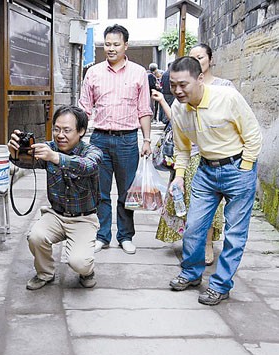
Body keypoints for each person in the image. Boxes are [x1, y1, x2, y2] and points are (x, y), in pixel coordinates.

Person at [166, 56, 261, 305]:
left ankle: (221, 285)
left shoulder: (227, 98)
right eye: (173, 84)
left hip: (237, 168)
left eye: (183, 84)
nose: (177, 90)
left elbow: (252, 134)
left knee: (235, 233)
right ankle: (191, 273)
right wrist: (179, 176)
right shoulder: (178, 108)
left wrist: (246, 167)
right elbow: (182, 148)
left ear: (199, 79)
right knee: (194, 228)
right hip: (206, 171)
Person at [152, 43, 235, 265]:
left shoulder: (224, 88)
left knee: (213, 205)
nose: (197, 61)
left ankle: (207, 244)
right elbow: (178, 123)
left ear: (210, 59)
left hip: (218, 157)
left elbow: (241, 125)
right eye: (192, 57)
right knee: (188, 202)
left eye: (201, 57)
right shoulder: (182, 91)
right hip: (190, 154)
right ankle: (192, 247)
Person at [7, 105, 102, 290]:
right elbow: (29, 163)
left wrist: (56, 157)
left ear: (81, 131)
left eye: (67, 130)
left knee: (79, 262)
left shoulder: (92, 152)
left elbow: (88, 166)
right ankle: (45, 273)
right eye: (57, 129)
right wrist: (16, 154)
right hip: (56, 215)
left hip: (83, 218)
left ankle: (87, 271)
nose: (60, 135)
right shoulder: (49, 148)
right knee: (35, 237)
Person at [79, 24, 153, 255]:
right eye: (107, 44)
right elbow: (84, 108)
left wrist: (147, 139)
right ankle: (102, 235)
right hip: (99, 139)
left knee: (126, 193)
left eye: (116, 44)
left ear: (125, 46)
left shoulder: (139, 73)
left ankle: (125, 235)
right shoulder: (93, 73)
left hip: (127, 140)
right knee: (99, 191)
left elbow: (144, 110)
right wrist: (78, 138)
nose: (110, 49)